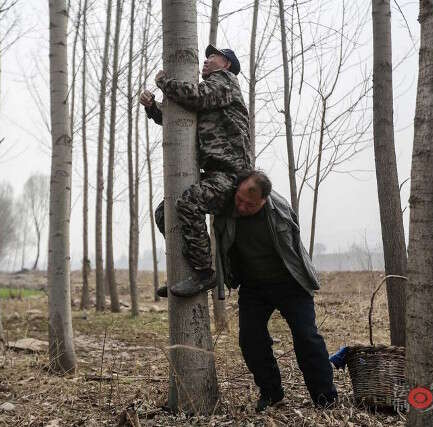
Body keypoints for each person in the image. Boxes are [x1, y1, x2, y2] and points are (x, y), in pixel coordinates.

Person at [158, 170, 338, 412]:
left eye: (249, 204)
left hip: (290, 283)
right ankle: (271, 394)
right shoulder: (228, 204)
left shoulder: (279, 211)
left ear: (265, 200)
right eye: (239, 199)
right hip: (254, 286)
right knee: (250, 340)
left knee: (307, 337)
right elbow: (193, 206)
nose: (241, 206)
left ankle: (325, 397)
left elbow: (296, 249)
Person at [139, 44, 252, 298]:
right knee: (163, 213)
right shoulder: (212, 96)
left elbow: (195, 97)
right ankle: (185, 272)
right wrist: (152, 108)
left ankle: (204, 273)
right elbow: (182, 119)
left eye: (213, 57)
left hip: (233, 175)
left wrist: (164, 83)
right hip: (214, 173)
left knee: (189, 202)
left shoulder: (225, 81)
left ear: (226, 64)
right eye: (206, 56)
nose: (206, 60)